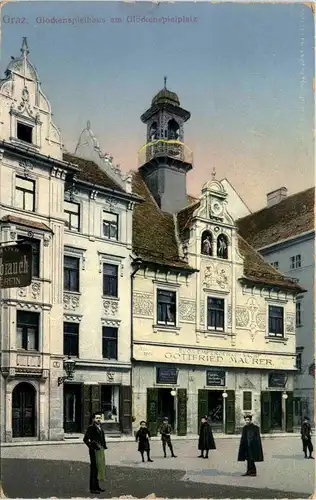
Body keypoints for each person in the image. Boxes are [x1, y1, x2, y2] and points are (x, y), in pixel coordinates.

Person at [83, 412, 107, 494]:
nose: (99, 419)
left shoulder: (100, 428)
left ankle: (97, 487)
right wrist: (91, 447)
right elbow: (85, 439)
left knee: (99, 468)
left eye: (100, 418)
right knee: (94, 469)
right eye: (97, 418)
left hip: (100, 450)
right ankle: (92, 488)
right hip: (94, 451)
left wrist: (104, 446)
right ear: (93, 419)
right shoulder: (91, 428)